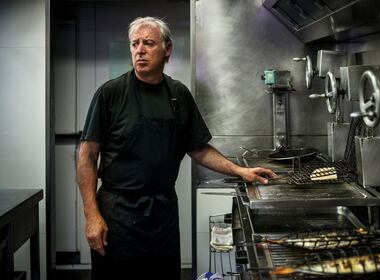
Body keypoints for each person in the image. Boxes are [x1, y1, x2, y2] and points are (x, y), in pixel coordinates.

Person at [76, 16, 276, 280]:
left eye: (148, 43)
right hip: (118, 216)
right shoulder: (110, 94)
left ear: (167, 49)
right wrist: (92, 216)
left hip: (162, 215)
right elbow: (87, 156)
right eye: (135, 44)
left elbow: (198, 148)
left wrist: (241, 171)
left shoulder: (178, 94)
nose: (140, 50)